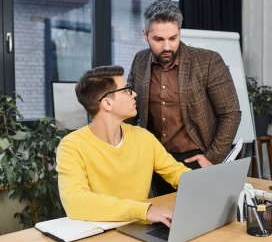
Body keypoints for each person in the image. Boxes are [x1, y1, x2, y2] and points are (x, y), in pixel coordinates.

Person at [128, 0, 241, 195]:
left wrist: (211, 158)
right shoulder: (140, 60)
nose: (167, 46)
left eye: (173, 38)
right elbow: (131, 111)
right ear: (145, 35)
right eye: (158, 39)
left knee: (202, 221)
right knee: (165, 220)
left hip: (197, 159)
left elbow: (231, 113)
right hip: (158, 161)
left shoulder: (208, 62)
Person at [56, 65, 190, 227]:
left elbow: (178, 174)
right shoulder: (72, 146)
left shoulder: (143, 137)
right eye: (126, 90)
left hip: (139, 228)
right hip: (101, 234)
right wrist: (144, 210)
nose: (134, 94)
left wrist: (210, 185)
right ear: (107, 103)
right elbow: (76, 202)